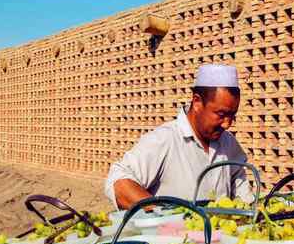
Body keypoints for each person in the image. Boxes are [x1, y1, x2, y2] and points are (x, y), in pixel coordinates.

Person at [105, 64, 253, 210]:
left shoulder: (229, 144)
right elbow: (119, 181)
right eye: (221, 115)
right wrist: (162, 216)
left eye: (232, 116)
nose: (227, 124)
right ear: (197, 102)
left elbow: (243, 197)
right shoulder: (165, 139)